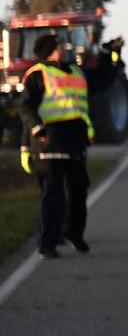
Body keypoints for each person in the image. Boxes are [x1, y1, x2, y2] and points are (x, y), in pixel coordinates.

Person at [20, 33, 93, 258]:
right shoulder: (37, 74)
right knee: (53, 195)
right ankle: (47, 243)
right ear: (51, 49)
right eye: (61, 45)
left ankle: (73, 233)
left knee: (79, 191)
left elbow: (93, 90)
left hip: (75, 141)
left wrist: (113, 59)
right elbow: (26, 108)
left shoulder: (75, 71)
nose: (65, 48)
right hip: (49, 142)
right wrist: (29, 140)